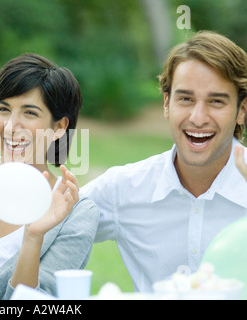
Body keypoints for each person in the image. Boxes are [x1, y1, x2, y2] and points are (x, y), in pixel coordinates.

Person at [81, 31, 247, 292]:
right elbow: (44, 230)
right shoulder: (122, 188)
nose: (198, 117)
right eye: (186, 99)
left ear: (241, 111)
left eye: (216, 101)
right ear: (167, 104)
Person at [0, 53, 99, 299]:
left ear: (59, 127)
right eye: (4, 109)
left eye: (29, 113)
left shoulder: (75, 214)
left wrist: (33, 238)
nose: (11, 126)